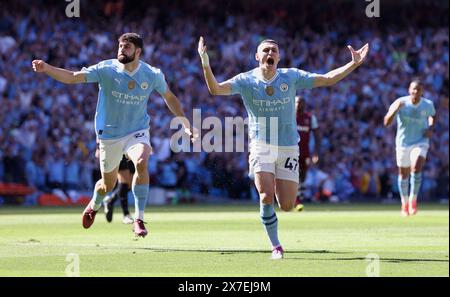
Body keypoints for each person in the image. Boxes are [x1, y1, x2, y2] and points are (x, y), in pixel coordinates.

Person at [198, 37, 369, 259]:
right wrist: (205, 62)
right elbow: (216, 89)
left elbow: (327, 79)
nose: (270, 53)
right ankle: (276, 245)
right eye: (266, 50)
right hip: (262, 145)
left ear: (278, 57)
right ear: (257, 56)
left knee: (287, 205)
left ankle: (277, 192)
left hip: (289, 147)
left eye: (274, 51)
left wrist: (354, 63)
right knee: (266, 196)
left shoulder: (291, 76)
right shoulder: (246, 80)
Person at [33, 33, 195, 237]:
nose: (121, 49)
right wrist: (47, 68)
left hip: (137, 131)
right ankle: (95, 204)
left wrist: (185, 122)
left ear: (138, 52)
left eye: (126, 47)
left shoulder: (152, 74)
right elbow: (73, 78)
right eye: (120, 46)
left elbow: (169, 97)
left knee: (142, 161)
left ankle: (139, 219)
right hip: (109, 135)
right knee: (107, 185)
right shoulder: (106, 69)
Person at [383, 79, 436, 216]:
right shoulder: (400, 103)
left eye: (418, 89)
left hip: (420, 141)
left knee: (416, 166)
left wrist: (430, 127)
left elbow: (433, 116)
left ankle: (413, 200)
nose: (415, 92)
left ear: (422, 91)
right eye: (413, 89)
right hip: (403, 143)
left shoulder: (427, 104)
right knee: (403, 174)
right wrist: (394, 110)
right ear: (409, 90)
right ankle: (404, 203)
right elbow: (386, 123)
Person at [294, 96, 320, 211]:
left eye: (301, 102)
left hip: (304, 152)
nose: (299, 105)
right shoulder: (288, 116)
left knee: (302, 175)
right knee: (292, 174)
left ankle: (300, 198)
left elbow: (317, 136)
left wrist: (315, 153)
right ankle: (296, 199)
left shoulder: (310, 118)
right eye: (297, 102)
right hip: (290, 151)